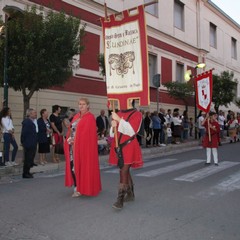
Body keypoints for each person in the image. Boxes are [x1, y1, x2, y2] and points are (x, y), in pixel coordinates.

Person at [109, 100, 143, 210]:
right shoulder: (118, 113)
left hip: (128, 146)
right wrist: (112, 125)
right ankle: (130, 193)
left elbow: (132, 130)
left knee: (123, 170)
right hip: (118, 145)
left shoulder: (137, 114)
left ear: (130, 101)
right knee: (125, 169)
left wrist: (119, 120)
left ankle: (120, 199)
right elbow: (112, 133)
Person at [64, 97, 101, 197]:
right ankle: (77, 187)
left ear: (88, 106)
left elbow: (88, 135)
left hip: (84, 148)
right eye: (80, 104)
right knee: (73, 167)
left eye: (83, 104)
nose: (81, 106)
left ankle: (81, 188)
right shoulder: (76, 116)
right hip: (73, 147)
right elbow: (71, 130)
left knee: (82, 167)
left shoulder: (90, 117)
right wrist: (69, 138)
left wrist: (76, 140)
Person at [21, 108, 38, 178]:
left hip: (32, 143)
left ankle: (28, 172)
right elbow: (24, 134)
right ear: (30, 114)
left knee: (30, 158)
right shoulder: (27, 122)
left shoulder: (32, 121)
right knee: (28, 159)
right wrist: (24, 142)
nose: (35, 114)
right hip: (29, 143)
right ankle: (25, 173)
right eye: (34, 113)